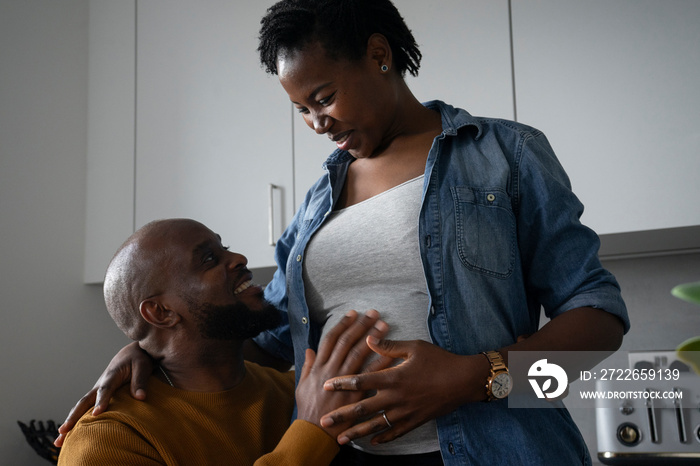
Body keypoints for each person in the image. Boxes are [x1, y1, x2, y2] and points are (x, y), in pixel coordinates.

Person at [58, 1, 631, 464]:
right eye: (301, 110)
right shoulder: (314, 207)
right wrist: (143, 349)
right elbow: (269, 338)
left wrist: (472, 379)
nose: (316, 124)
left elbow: (601, 322)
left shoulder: (505, 153)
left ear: (379, 55)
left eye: (324, 98)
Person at [56, 218, 392, 465]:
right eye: (208, 259)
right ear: (160, 312)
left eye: (225, 248)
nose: (239, 259)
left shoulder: (294, 392)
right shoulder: (106, 441)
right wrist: (312, 432)